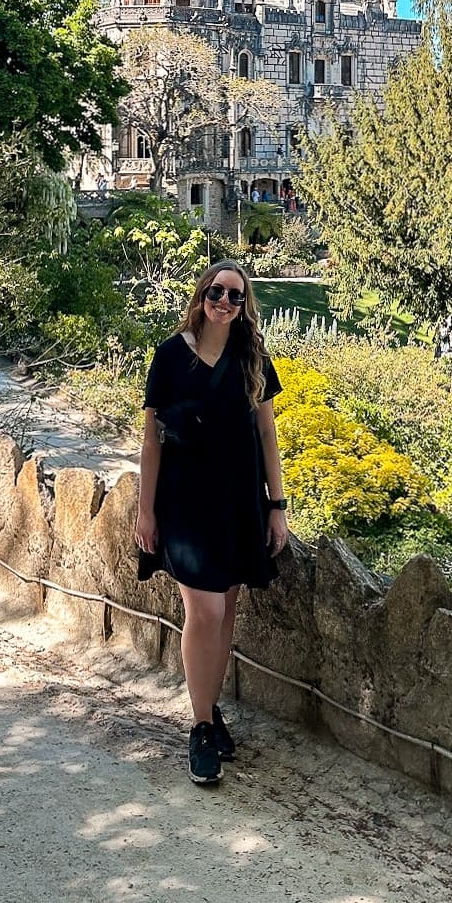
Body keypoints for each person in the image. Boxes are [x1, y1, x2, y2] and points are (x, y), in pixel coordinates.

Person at [135, 260, 289, 786]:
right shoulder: (170, 356)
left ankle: (210, 706)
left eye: (236, 297)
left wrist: (277, 505)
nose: (225, 302)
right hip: (185, 504)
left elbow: (267, 435)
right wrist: (144, 510)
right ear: (202, 295)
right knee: (203, 610)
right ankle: (200, 727)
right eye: (218, 292)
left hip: (238, 501)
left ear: (244, 307)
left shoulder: (252, 358)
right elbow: (151, 440)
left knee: (226, 612)